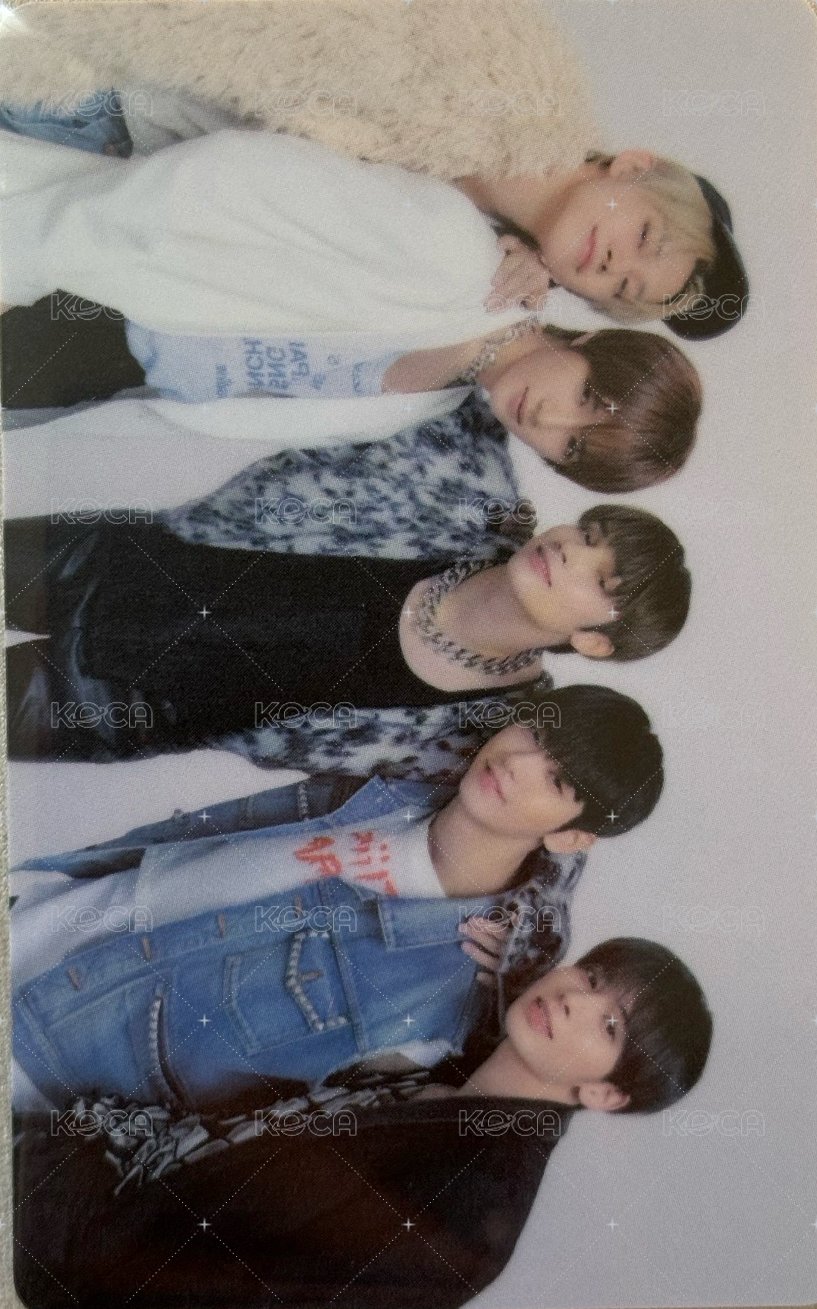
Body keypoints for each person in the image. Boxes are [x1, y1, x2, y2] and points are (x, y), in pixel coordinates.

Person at [11, 935, 713, 1309]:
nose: (572, 1001)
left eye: (609, 1024)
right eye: (591, 977)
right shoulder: (449, 1078)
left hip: (76, 1253)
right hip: (87, 1167)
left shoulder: (476, 1210)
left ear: (605, 1094)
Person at [9, 688, 664, 992]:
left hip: (84, 1011)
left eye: (555, 779)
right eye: (535, 735)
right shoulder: (402, 782)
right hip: (69, 906)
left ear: (571, 834)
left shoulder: (460, 958)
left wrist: (536, 941)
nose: (516, 763)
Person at [3, 501, 689, 762]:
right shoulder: (464, 498)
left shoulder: (487, 730)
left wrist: (519, 934)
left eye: (601, 579)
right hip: (108, 559)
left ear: (594, 642)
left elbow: (567, 813)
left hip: (113, 705)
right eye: (589, 534)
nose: (571, 550)